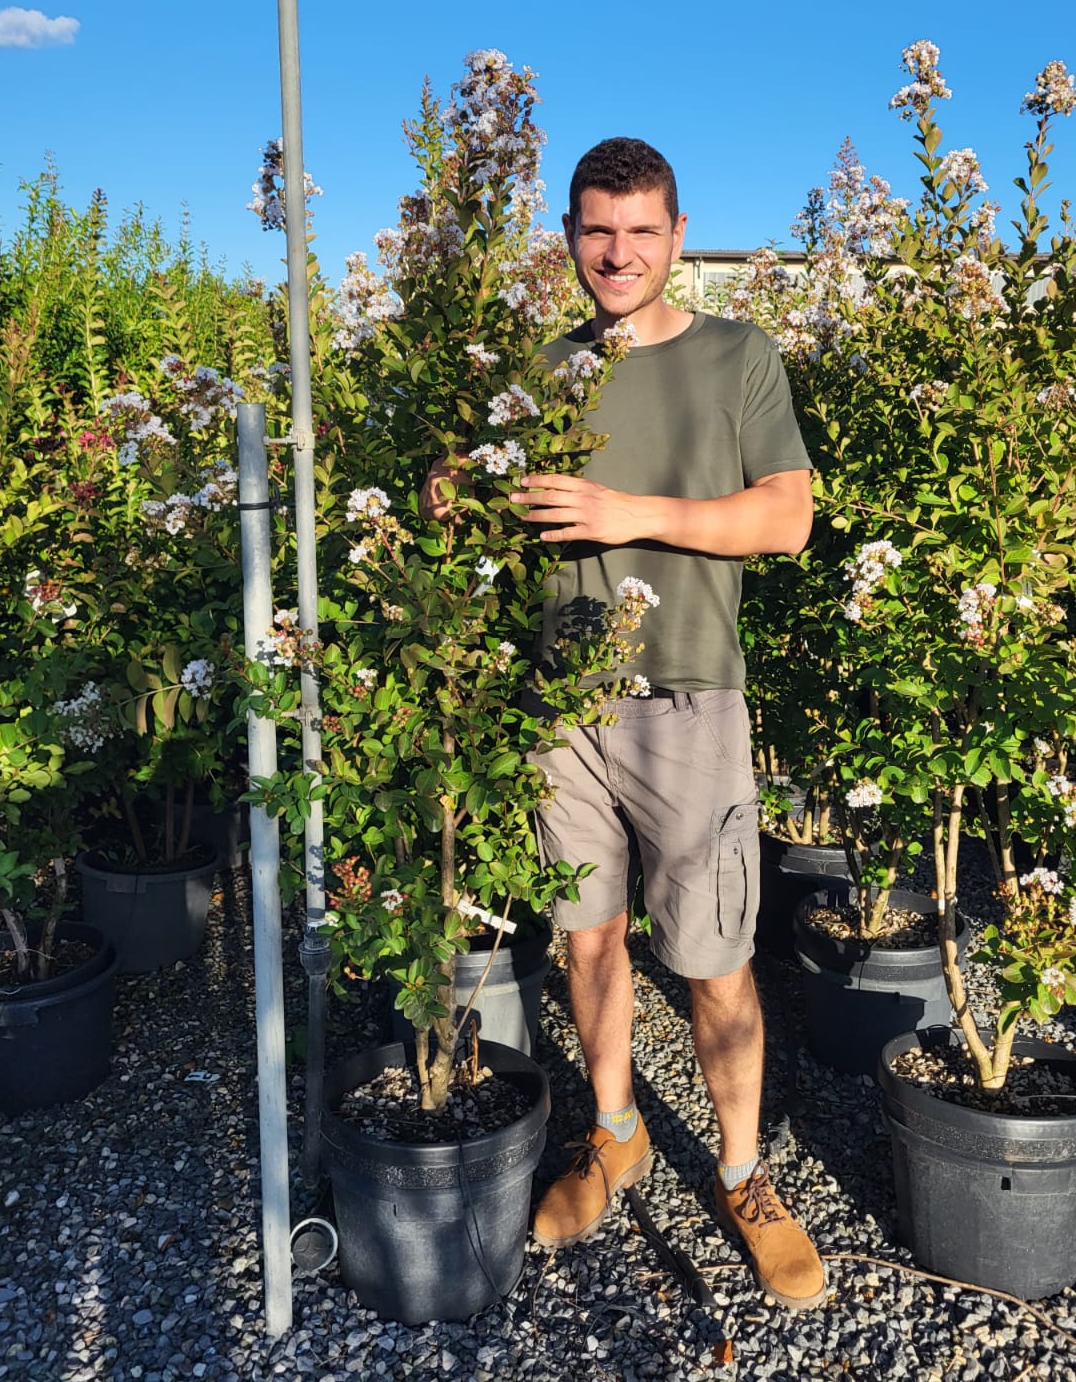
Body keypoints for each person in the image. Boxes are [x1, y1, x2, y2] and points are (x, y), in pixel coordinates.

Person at [426, 137, 823, 1310]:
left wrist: (623, 510)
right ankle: (614, 1132)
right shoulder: (550, 368)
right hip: (566, 705)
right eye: (597, 231)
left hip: (690, 697)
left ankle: (744, 1176)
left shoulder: (737, 356)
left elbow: (786, 519)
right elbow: (510, 498)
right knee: (589, 938)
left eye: (641, 231)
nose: (618, 252)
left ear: (677, 235)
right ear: (570, 238)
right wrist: (462, 484)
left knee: (713, 960)